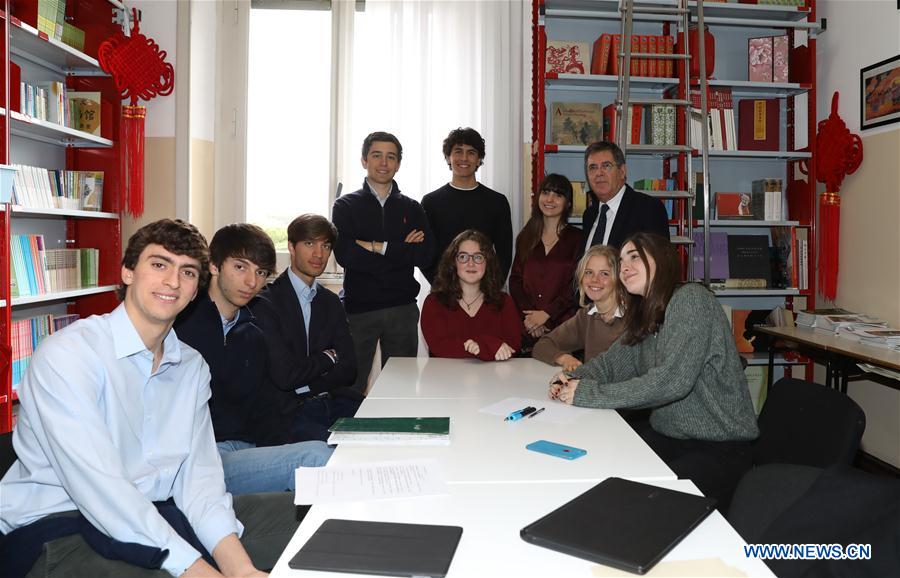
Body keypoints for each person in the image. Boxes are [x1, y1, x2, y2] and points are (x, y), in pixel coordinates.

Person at [0, 219, 294, 578]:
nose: (173, 281)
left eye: (187, 272)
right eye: (159, 264)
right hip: (57, 526)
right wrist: (203, 572)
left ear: (196, 289)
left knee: (321, 519)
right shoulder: (69, 354)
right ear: (127, 272)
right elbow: (104, 493)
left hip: (157, 513)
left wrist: (241, 569)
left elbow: (199, 483)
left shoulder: (191, 367)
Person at [549, 232, 759, 510]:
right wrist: (574, 378)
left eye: (635, 257)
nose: (624, 267)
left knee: (643, 505)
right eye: (622, 261)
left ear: (661, 259)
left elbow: (672, 381)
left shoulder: (691, 300)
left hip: (720, 447)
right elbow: (611, 364)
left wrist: (588, 393)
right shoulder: (646, 313)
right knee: (601, 474)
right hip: (669, 436)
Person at [175, 223, 333, 495]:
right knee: (316, 458)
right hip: (203, 459)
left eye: (261, 273)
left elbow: (265, 409)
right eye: (240, 267)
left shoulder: (252, 333)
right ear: (213, 265)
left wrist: (280, 446)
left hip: (248, 449)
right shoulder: (181, 327)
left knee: (333, 450)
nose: (252, 282)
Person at [332, 131, 435, 393]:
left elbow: (425, 255)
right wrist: (402, 252)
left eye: (391, 157)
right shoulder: (345, 206)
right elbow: (346, 256)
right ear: (364, 160)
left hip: (402, 309)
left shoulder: (412, 208)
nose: (384, 163)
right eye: (377, 155)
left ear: (399, 163)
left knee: (400, 389)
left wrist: (377, 247)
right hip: (358, 309)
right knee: (350, 387)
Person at [252, 214, 362, 443]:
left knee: (388, 432)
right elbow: (285, 376)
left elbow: (350, 369)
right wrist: (328, 357)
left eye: (325, 246)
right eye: (309, 243)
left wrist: (307, 382)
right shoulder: (265, 302)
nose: (318, 254)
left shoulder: (331, 302)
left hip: (334, 400)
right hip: (291, 412)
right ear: (291, 247)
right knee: (333, 454)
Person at [422, 127, 513, 284]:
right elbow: (424, 253)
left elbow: (504, 255)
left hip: (485, 294)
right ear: (448, 157)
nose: (464, 158)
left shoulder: (497, 202)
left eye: (471, 152)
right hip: (444, 293)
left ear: (479, 159)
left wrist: (490, 289)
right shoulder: (430, 202)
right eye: (458, 151)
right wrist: (441, 286)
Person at [509, 173, 583, 353]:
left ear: (568, 203)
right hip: (527, 328)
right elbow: (515, 280)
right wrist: (532, 318)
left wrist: (547, 314)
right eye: (546, 192)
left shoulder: (578, 238)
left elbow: (577, 284)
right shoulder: (526, 236)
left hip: (563, 327)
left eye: (558, 195)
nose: (550, 199)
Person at [421, 230, 521, 361]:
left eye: (478, 257)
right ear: (453, 262)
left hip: (494, 378)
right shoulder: (434, 302)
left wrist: (479, 345)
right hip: (447, 378)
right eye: (463, 257)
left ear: (488, 262)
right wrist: (489, 346)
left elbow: (513, 346)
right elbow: (440, 348)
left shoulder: (504, 301)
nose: (471, 263)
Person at [533, 244, 626, 371]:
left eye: (604, 273)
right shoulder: (586, 316)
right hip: (590, 389)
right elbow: (542, 345)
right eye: (588, 272)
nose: (594, 279)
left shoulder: (635, 316)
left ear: (619, 278)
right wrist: (565, 358)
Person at [580, 141, 670, 252]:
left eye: (606, 166)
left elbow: (660, 262)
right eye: (593, 167)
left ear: (622, 171)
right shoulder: (589, 215)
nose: (599, 173)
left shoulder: (648, 209)